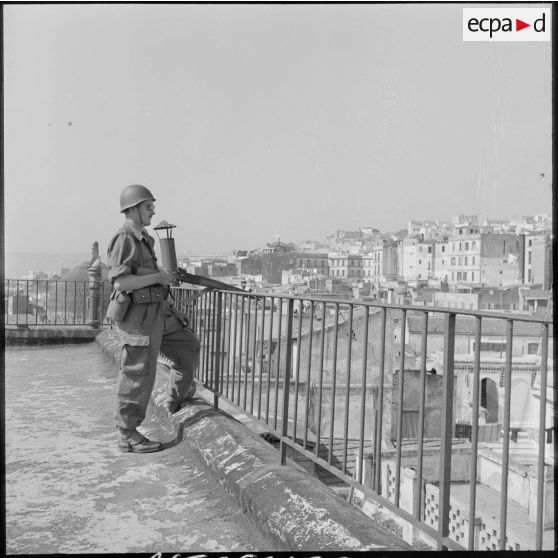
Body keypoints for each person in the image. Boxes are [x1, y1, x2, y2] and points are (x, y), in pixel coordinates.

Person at [107, 184, 200, 453]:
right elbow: (121, 283)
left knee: (188, 345)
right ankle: (127, 434)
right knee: (138, 374)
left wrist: (171, 304)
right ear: (133, 209)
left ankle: (176, 398)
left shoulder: (143, 237)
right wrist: (158, 277)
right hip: (138, 316)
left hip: (158, 310)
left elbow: (150, 278)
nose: (153, 211)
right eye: (148, 207)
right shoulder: (124, 237)